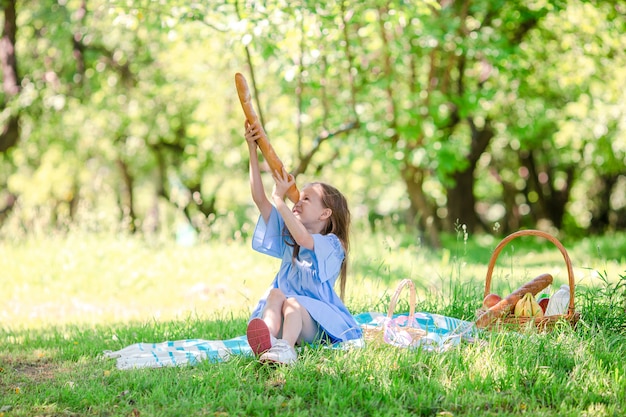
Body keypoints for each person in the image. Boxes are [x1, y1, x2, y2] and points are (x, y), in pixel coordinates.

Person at [243, 120, 362, 365]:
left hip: (316, 326)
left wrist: (280, 198)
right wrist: (252, 150)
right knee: (275, 294)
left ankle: (286, 349)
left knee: (295, 302)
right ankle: (269, 341)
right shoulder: (290, 234)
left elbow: (305, 239)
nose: (298, 200)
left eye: (307, 199)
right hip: (288, 318)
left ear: (325, 214)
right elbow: (259, 198)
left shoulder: (332, 245)